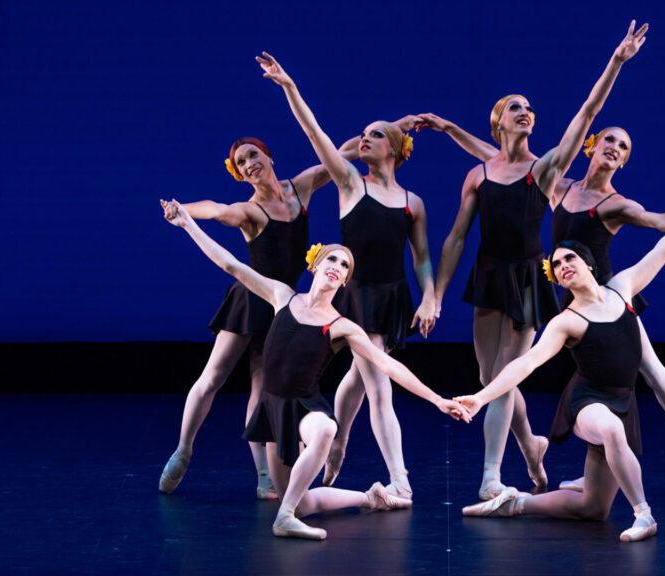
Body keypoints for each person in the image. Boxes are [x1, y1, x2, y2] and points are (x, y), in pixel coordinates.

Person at [160, 199, 469, 540]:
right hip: (273, 412)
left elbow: (388, 365)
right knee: (305, 500)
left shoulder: (343, 327)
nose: (337, 265)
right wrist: (188, 223)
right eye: (332, 259)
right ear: (316, 266)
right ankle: (371, 497)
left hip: (306, 409)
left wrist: (438, 400)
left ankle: (285, 517)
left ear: (345, 282)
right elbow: (231, 265)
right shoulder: (282, 296)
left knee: (324, 429)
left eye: (345, 265)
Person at [433, 21, 648, 500]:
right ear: (499, 121)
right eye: (516, 108)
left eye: (531, 108)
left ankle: (491, 473)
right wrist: (435, 294)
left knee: (511, 370)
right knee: (492, 379)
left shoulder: (546, 168)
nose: (527, 113)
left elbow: (587, 114)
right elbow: (454, 239)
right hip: (489, 274)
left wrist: (616, 60)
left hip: (529, 277)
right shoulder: (479, 173)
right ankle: (531, 444)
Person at [455, 206, 665, 542]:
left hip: (622, 400)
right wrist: (481, 398)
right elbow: (525, 364)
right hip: (587, 403)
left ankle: (516, 504)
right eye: (556, 265)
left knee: (593, 509)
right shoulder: (566, 321)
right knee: (612, 429)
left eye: (568, 259)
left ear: (588, 263)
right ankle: (644, 515)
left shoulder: (622, 288)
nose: (562, 266)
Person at [256, 53, 437, 499]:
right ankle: (400, 479)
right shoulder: (350, 183)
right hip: (355, 295)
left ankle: (337, 444)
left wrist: (430, 294)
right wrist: (289, 87)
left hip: (391, 296)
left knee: (357, 378)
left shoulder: (413, 202)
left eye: (375, 135)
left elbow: (422, 257)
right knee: (378, 383)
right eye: (363, 134)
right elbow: (316, 134)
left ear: (393, 149)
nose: (363, 139)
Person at [550, 127, 665, 493]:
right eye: (610, 140)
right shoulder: (559, 186)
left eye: (624, 146)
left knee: (650, 369)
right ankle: (595, 474)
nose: (615, 148)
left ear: (626, 160)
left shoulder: (616, 204)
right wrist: (450, 129)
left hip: (610, 300)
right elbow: (512, 162)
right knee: (593, 383)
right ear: (592, 145)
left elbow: (659, 221)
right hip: (572, 301)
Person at [158, 137, 339, 499]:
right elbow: (219, 209)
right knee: (213, 375)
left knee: (263, 386)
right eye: (241, 163)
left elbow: (340, 157)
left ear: (269, 155)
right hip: (250, 299)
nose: (249, 163)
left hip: (281, 305)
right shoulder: (251, 210)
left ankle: (263, 477)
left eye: (253, 154)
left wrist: (397, 128)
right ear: (240, 174)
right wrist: (184, 210)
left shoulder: (301, 188)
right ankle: (184, 449)